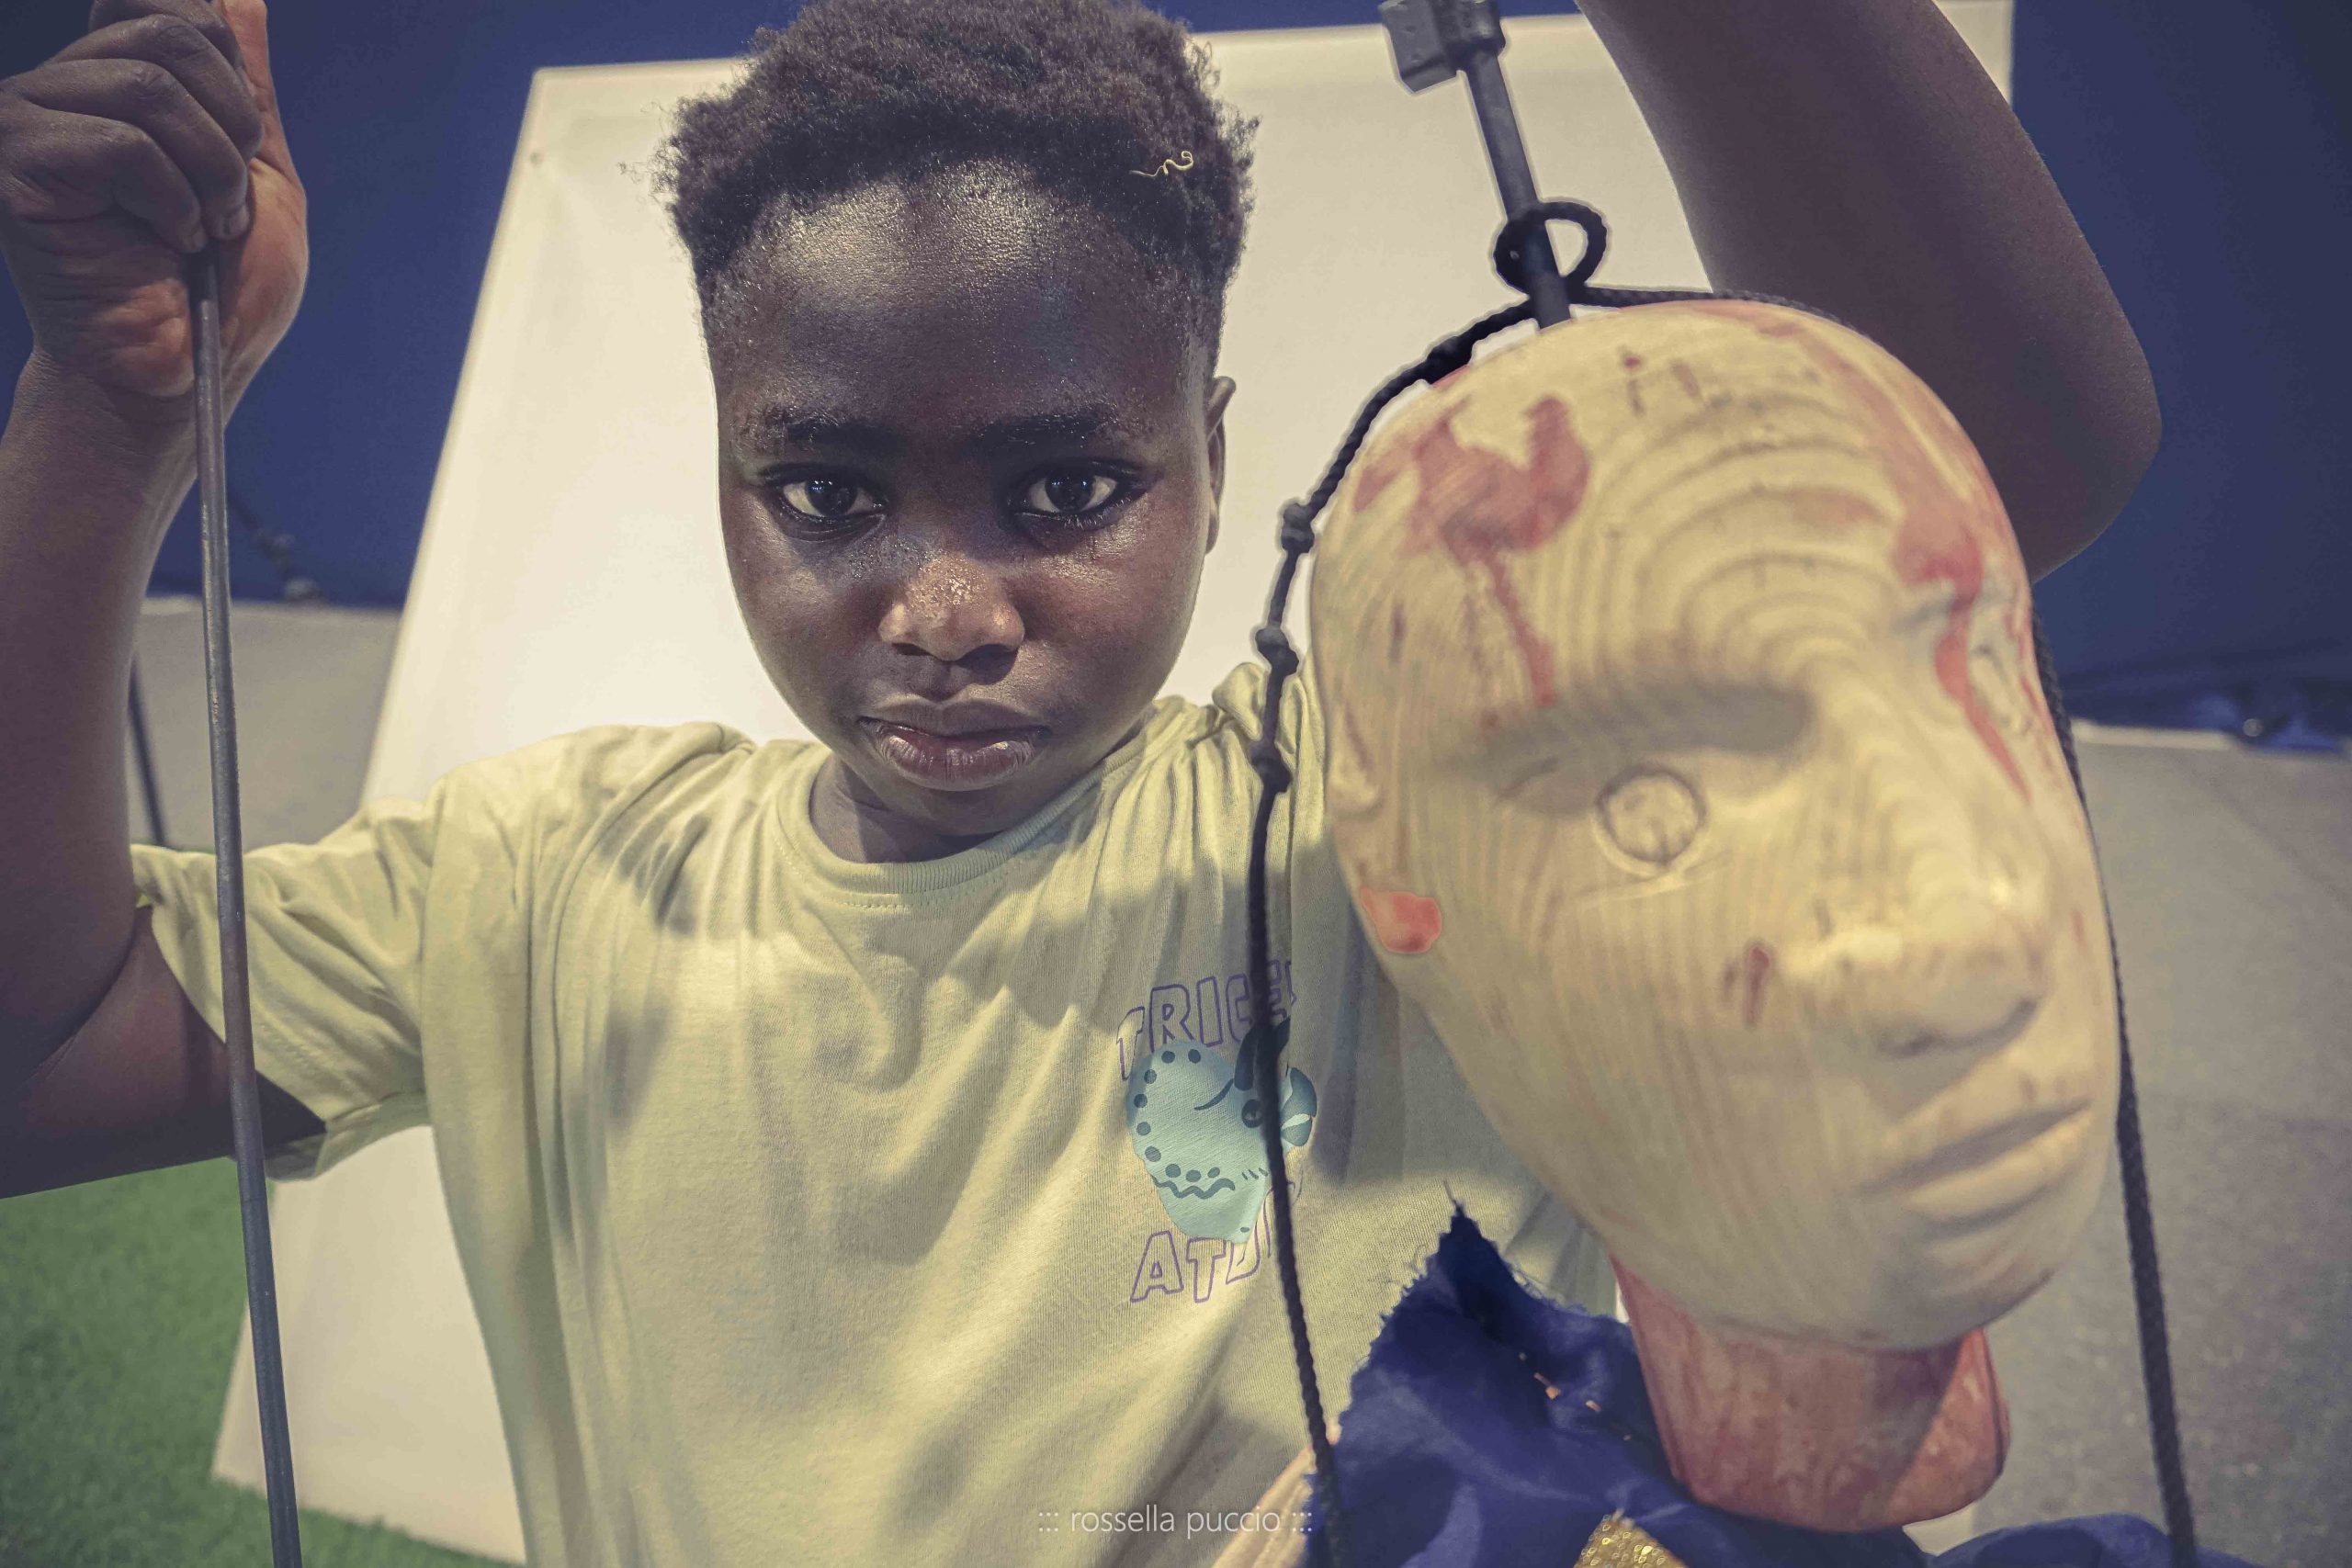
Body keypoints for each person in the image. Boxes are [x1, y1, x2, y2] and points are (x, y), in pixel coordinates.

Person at [0, 0, 2161, 1563]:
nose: (942, 607)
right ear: (725, 459)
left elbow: (1991, 466)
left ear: (1210, 455)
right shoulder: (543, 876)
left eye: (1061, 488)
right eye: (826, 490)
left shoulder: (1380, 813)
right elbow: (48, 1045)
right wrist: (104, 433)